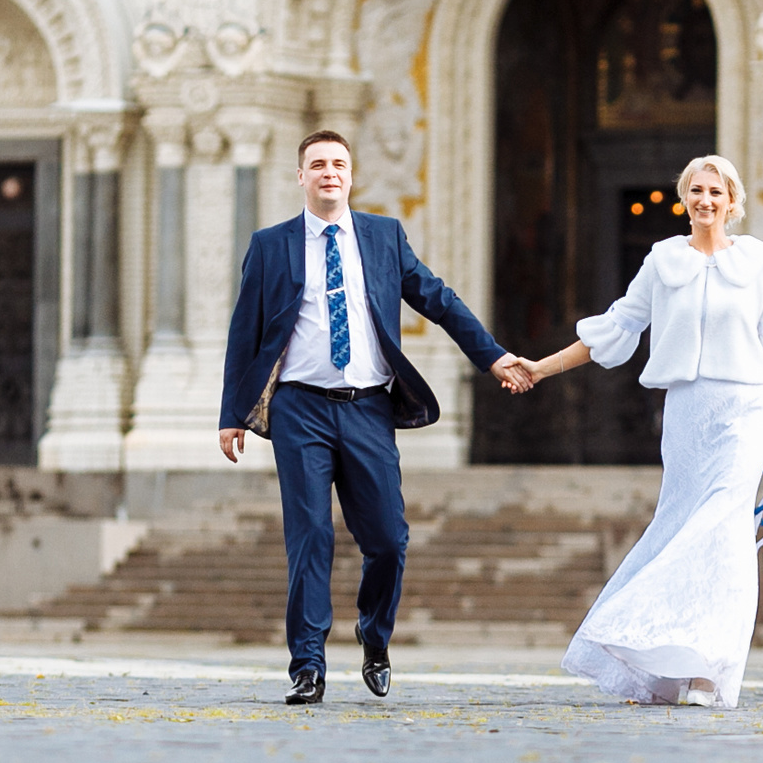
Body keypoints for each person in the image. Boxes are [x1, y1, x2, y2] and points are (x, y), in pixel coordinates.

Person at [217, 130, 532, 706]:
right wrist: (232, 414)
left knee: (387, 540)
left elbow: (437, 298)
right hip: (299, 408)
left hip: (368, 408)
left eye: (338, 163)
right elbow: (244, 332)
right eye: (317, 164)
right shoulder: (270, 245)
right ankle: (307, 664)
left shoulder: (383, 237)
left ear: (351, 174)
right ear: (301, 176)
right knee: (309, 536)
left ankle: (373, 634)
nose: (328, 172)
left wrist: (492, 356)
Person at [520, 155, 763, 709]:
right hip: (686, 414)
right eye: (697, 191)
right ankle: (665, 664)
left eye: (717, 191)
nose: (706, 200)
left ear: (733, 201)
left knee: (724, 528)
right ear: (685, 200)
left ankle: (710, 672)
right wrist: (541, 367)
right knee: (680, 524)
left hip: (743, 411)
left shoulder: (758, 263)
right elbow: (616, 329)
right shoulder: (662, 264)